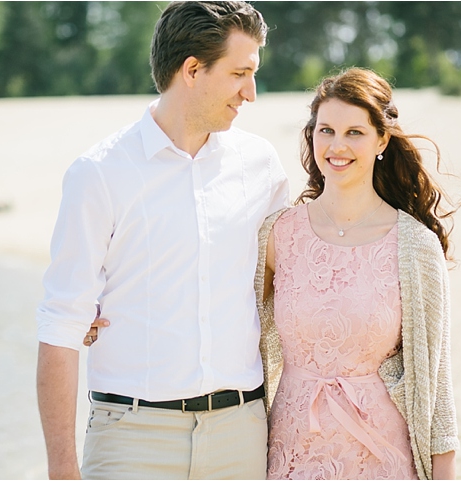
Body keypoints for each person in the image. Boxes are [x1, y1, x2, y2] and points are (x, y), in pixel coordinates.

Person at [35, 1, 289, 479]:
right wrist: (62, 470)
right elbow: (60, 324)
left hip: (242, 435)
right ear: (192, 70)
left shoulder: (261, 166)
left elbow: (288, 285)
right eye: (240, 74)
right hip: (131, 439)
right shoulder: (99, 174)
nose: (250, 93)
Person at [255, 67, 459, 479]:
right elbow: (230, 318)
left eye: (355, 133)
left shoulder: (415, 245)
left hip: (380, 453)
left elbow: (436, 380)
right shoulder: (278, 233)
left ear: (382, 139)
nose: (337, 146)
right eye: (326, 130)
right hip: (289, 449)